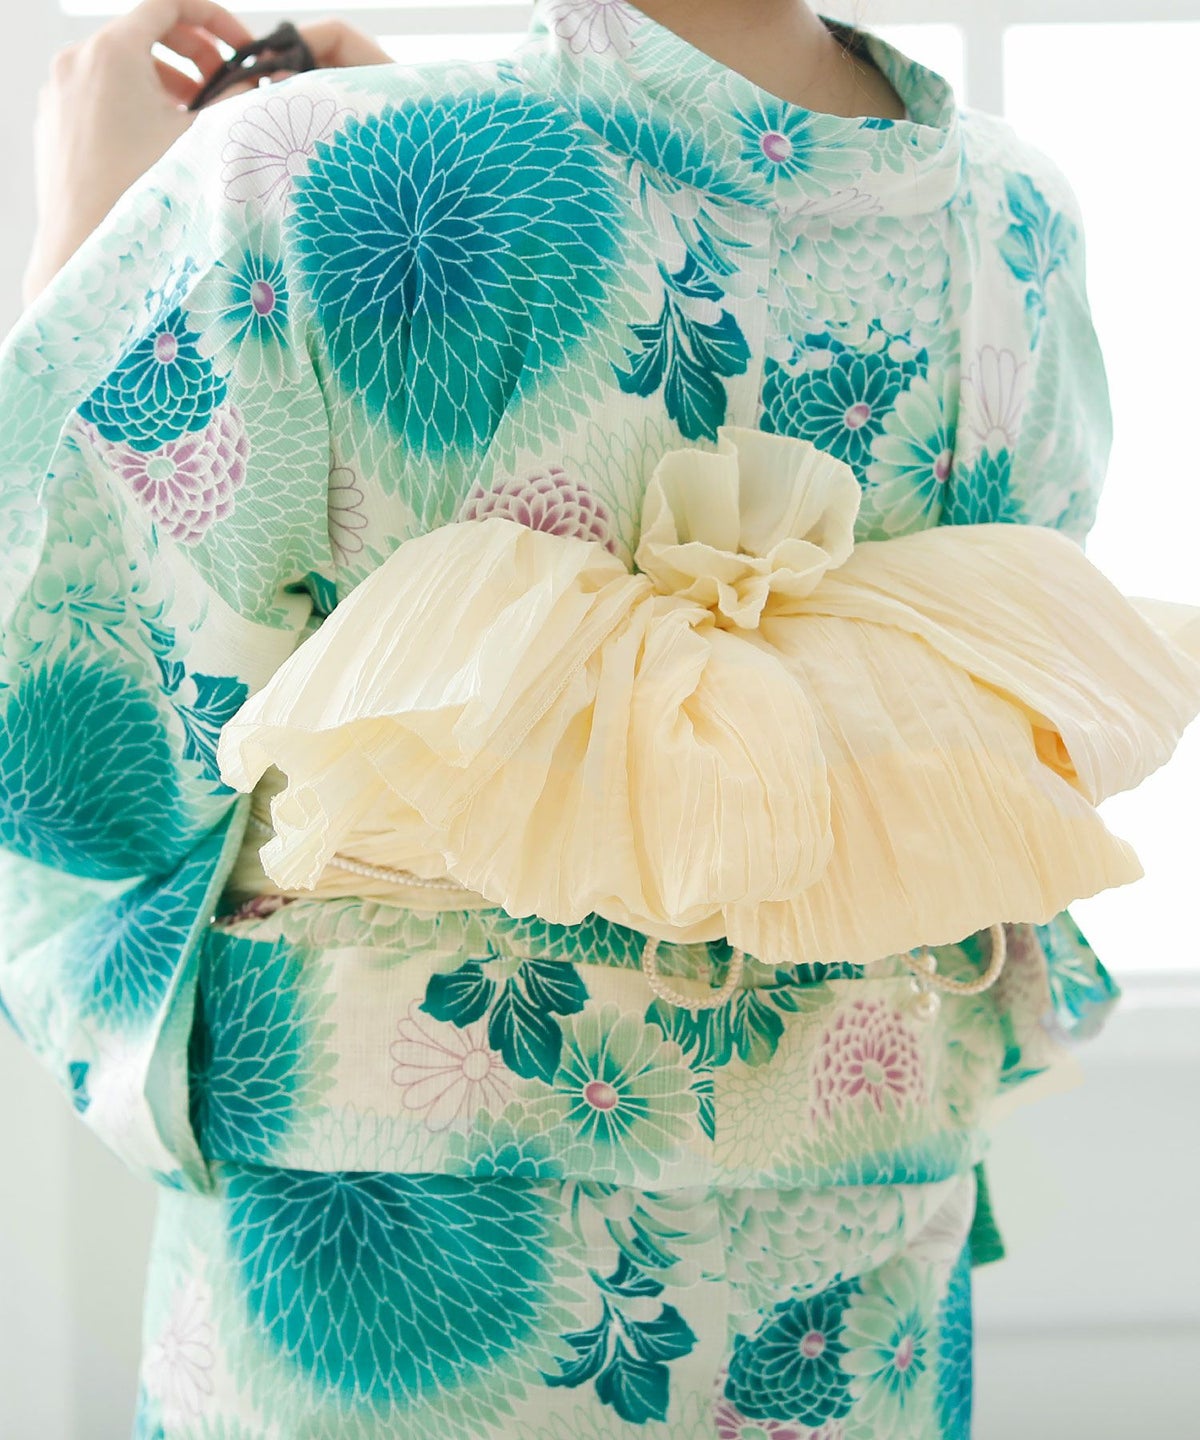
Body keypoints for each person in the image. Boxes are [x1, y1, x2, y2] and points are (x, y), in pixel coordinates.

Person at [2, 2, 1198, 1437]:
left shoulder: (292, 173)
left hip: (390, 1275)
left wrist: (88, 250)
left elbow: (64, 763)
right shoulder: (1014, 225)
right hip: (853, 1257)